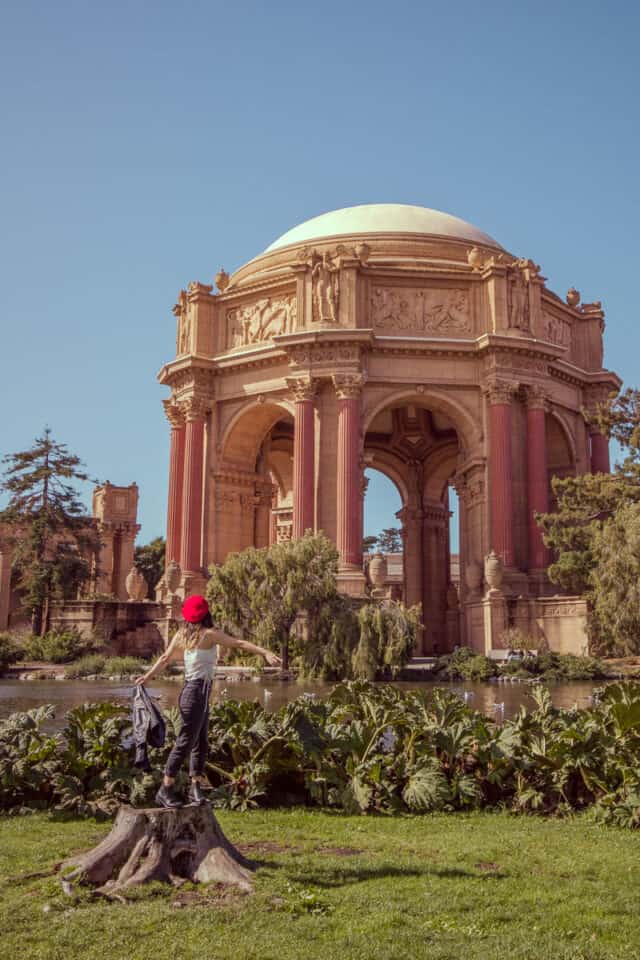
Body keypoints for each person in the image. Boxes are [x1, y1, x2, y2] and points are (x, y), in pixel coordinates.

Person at [134, 594, 281, 808]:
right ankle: (165, 788)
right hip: (195, 693)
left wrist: (148, 677)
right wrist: (265, 652)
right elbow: (238, 643)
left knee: (201, 742)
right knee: (185, 741)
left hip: (197, 693)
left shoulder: (182, 635)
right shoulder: (209, 635)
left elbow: (164, 659)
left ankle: (195, 787)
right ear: (206, 614)